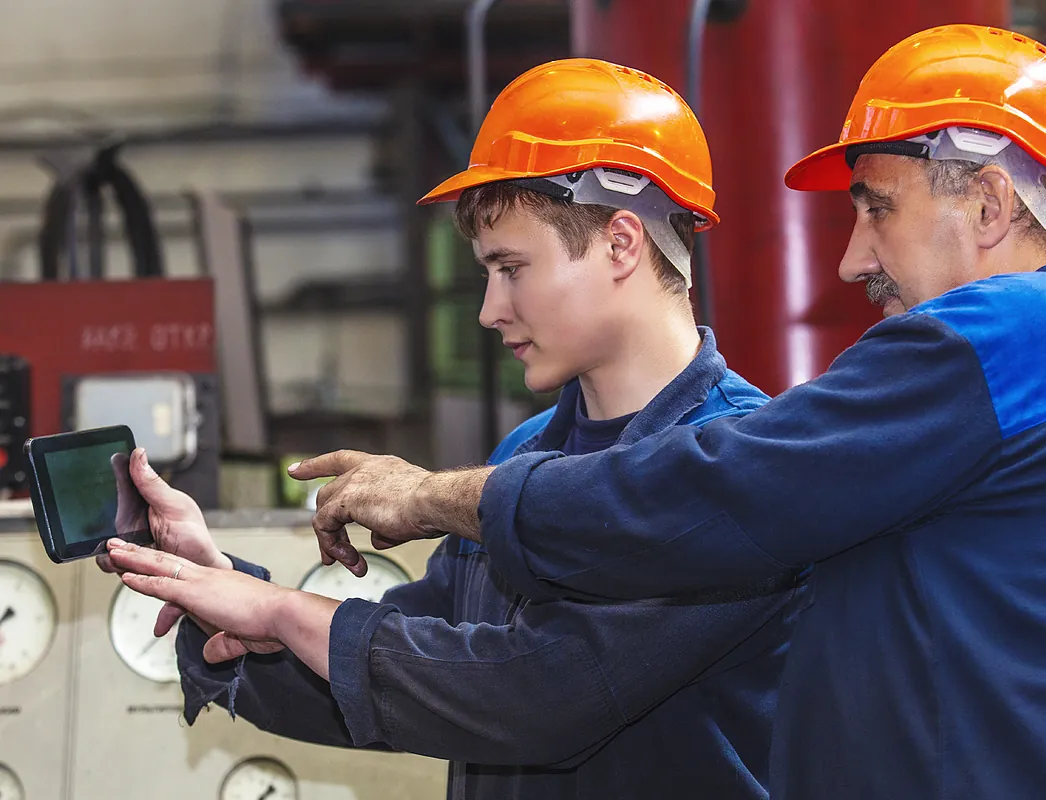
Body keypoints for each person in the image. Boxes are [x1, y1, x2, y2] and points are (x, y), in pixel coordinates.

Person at [256, 24, 1046, 800]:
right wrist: (236, 615)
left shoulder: (1011, 336)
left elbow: (720, 491)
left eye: (877, 209)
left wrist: (434, 499)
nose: (850, 260)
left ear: (991, 201)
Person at [105, 58, 806, 799]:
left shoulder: (737, 471)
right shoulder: (524, 458)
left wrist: (281, 609)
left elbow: (539, 697)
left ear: (621, 243)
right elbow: (409, 679)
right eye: (485, 273)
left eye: (511, 267)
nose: (489, 310)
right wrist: (213, 582)